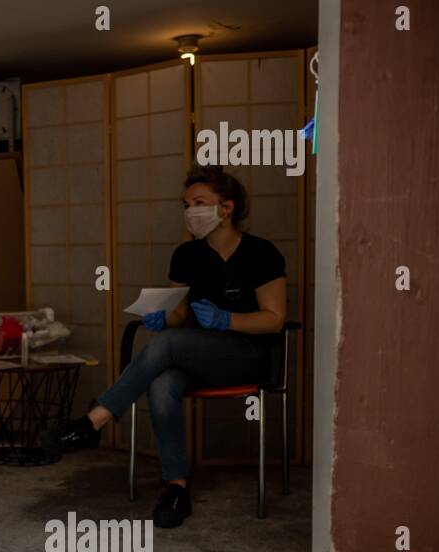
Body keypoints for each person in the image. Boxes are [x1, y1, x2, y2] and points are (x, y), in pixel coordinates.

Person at [46, 165, 287, 528]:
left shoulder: (261, 253)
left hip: (248, 356)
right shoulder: (186, 256)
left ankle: (95, 421)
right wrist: (160, 318)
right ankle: (177, 488)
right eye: (187, 204)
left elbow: (275, 318)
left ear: (226, 208)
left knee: (171, 344)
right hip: (199, 353)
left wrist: (228, 320)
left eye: (200, 202)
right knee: (161, 385)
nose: (191, 211)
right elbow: (178, 316)